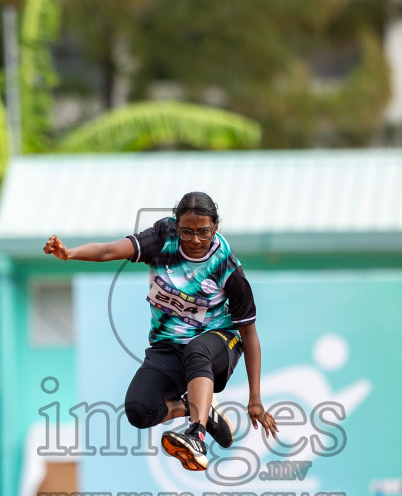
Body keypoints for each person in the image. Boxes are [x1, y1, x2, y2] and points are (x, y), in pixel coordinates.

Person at [42, 191, 279, 472]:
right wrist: (70, 253)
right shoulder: (161, 238)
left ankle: (197, 436)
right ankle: (197, 407)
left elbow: (250, 334)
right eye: (187, 232)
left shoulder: (226, 267)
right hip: (168, 346)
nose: (195, 241)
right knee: (139, 411)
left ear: (215, 227)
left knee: (198, 350)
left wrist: (255, 398)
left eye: (203, 232)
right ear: (176, 227)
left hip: (220, 343)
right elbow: (109, 251)